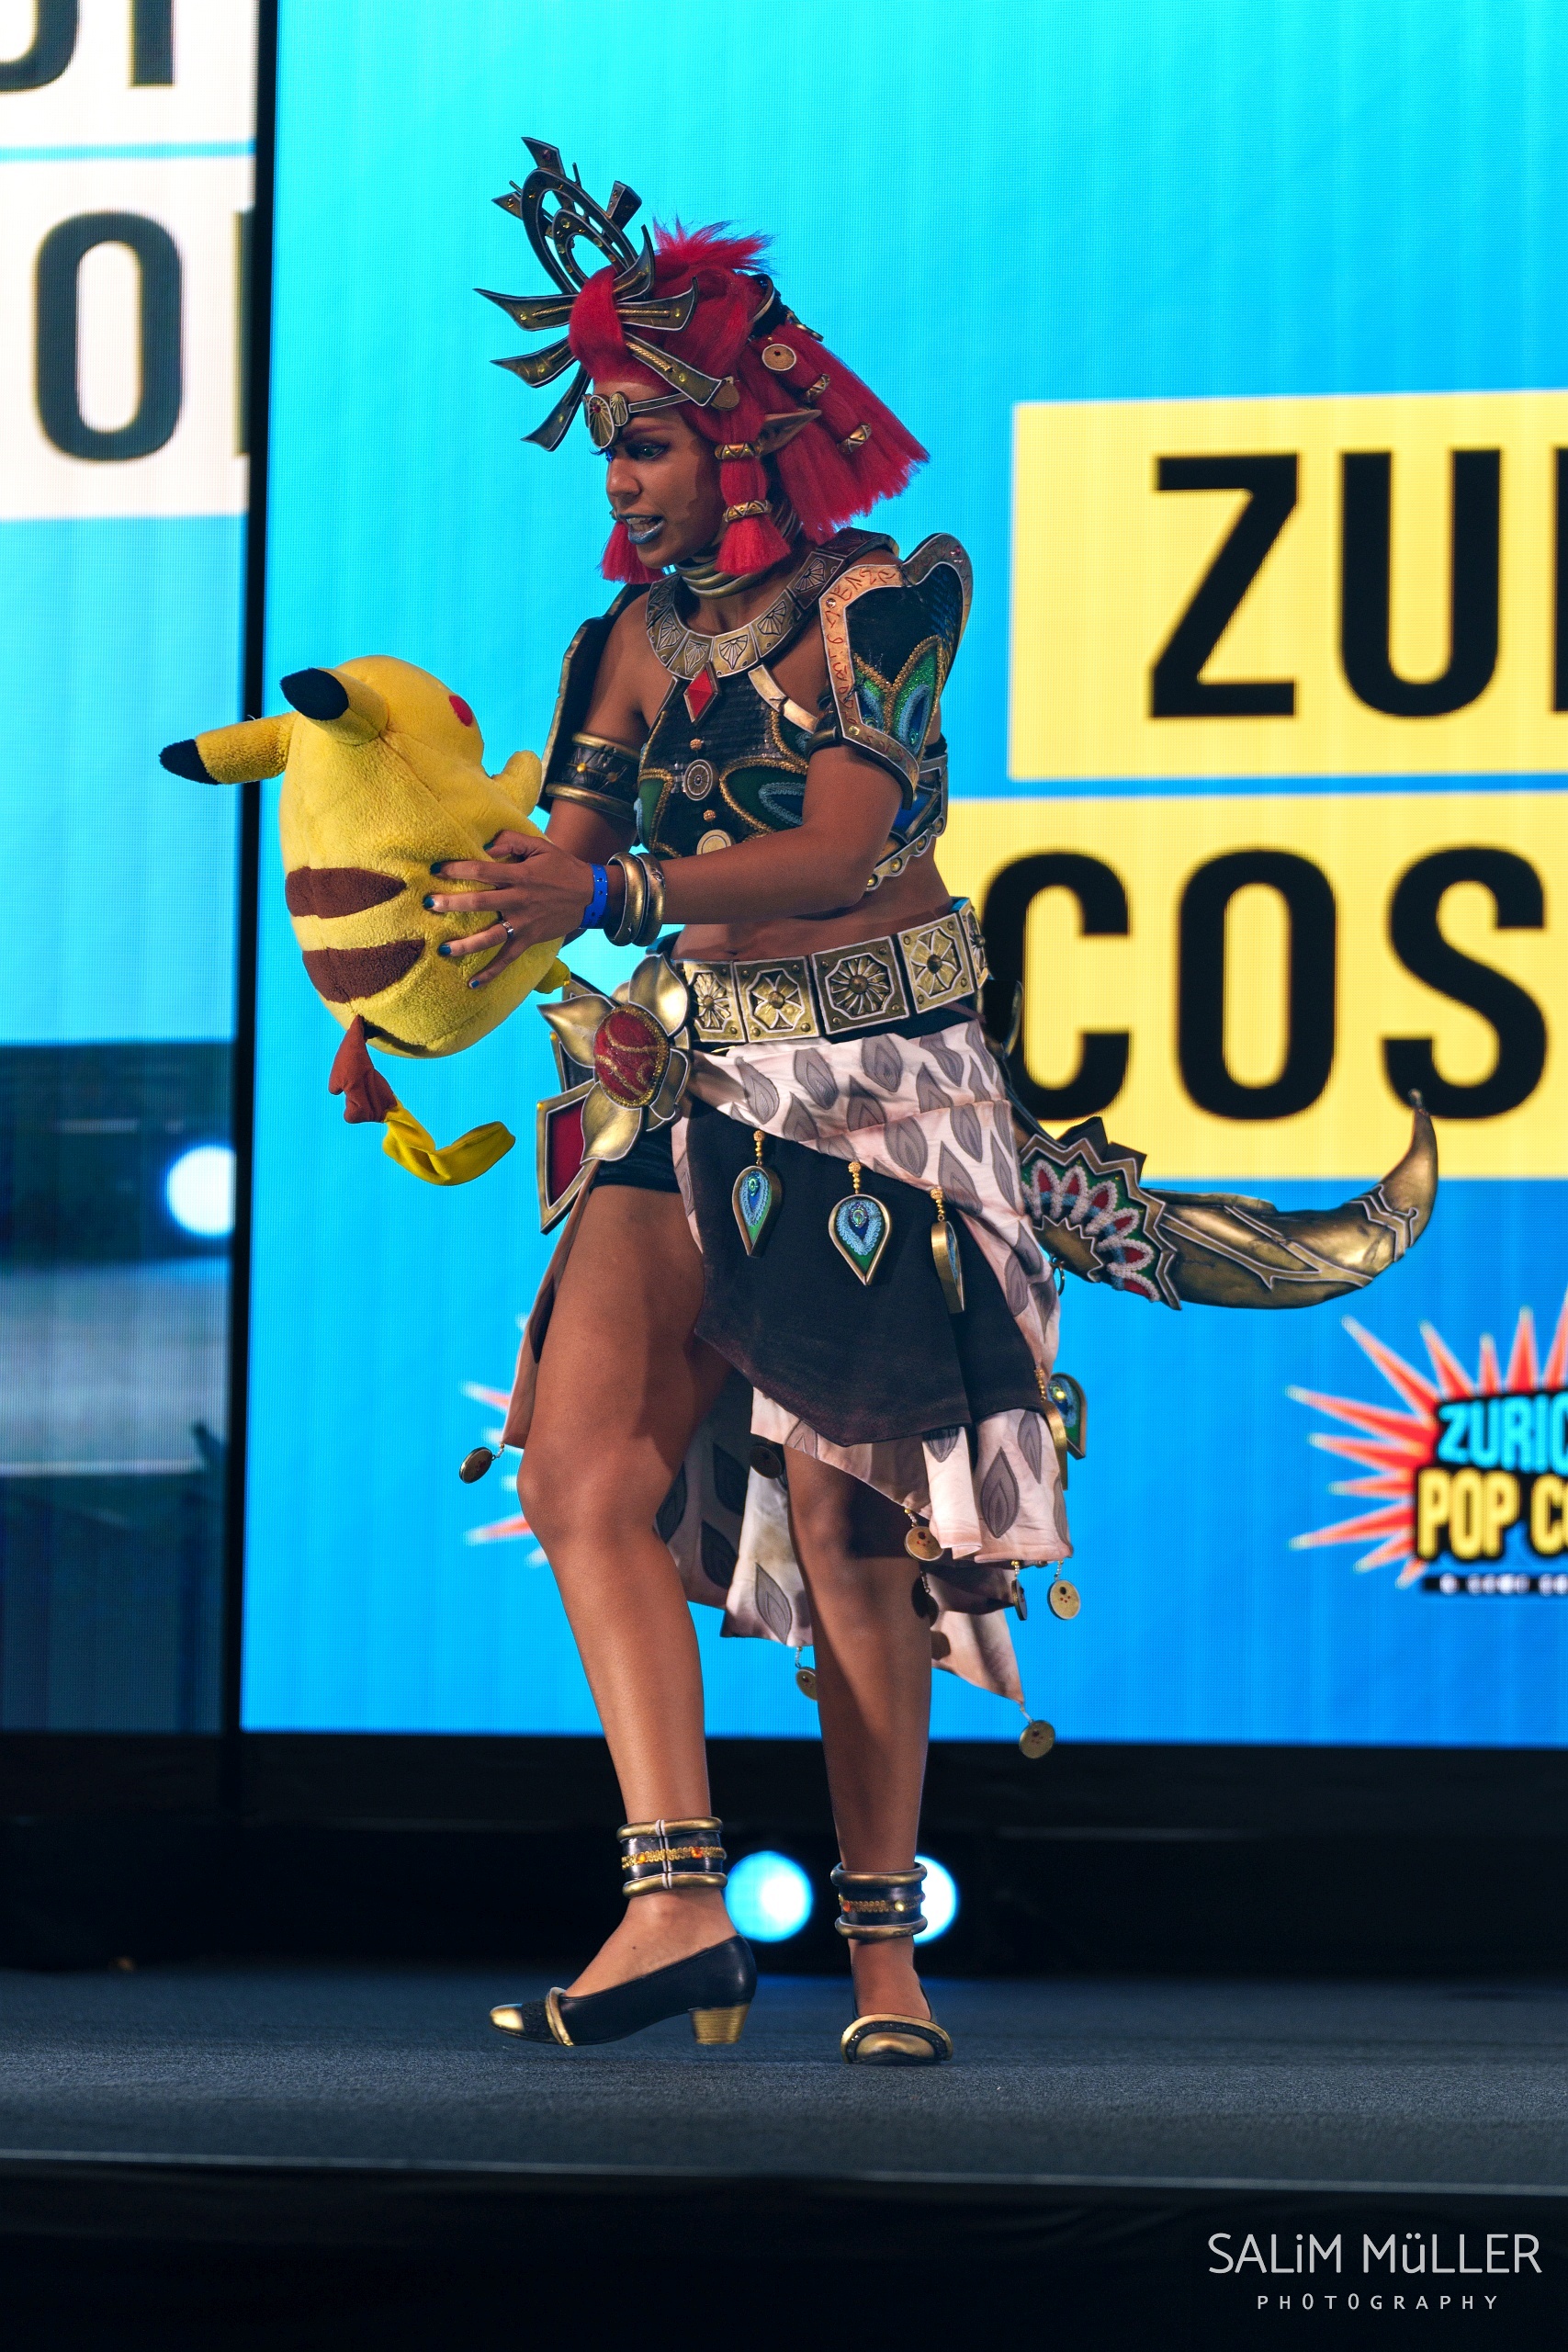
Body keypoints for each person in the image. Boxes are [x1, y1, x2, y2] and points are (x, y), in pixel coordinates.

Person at [423, 142, 1063, 2064]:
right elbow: (562, 864)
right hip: (689, 1076)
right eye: (608, 447)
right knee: (577, 1472)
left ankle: (882, 1961)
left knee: (853, 1543)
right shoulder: (623, 642)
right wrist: (427, 972)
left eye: (648, 442)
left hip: (876, 1099)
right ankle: (677, 1898)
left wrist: (607, 894)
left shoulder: (878, 603)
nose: (619, 478)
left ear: (748, 438)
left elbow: (837, 844)